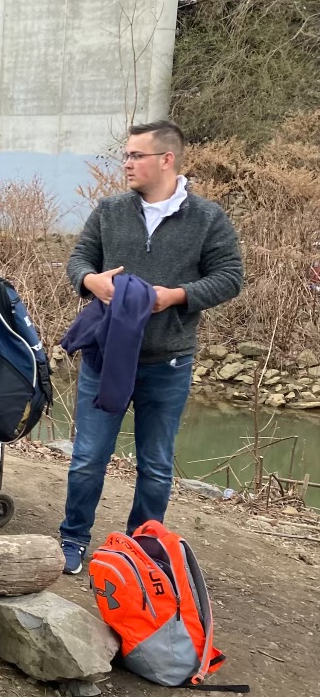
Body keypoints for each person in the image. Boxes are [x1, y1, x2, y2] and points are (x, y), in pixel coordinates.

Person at [60, 120, 243, 575]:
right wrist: (90, 281)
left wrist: (175, 296)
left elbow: (229, 277)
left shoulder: (207, 218)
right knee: (87, 459)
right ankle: (73, 538)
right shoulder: (109, 210)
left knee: (156, 467)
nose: (125, 163)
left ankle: (140, 552)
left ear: (167, 159)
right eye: (125, 155)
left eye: (135, 155)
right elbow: (79, 257)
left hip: (169, 362)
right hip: (105, 358)